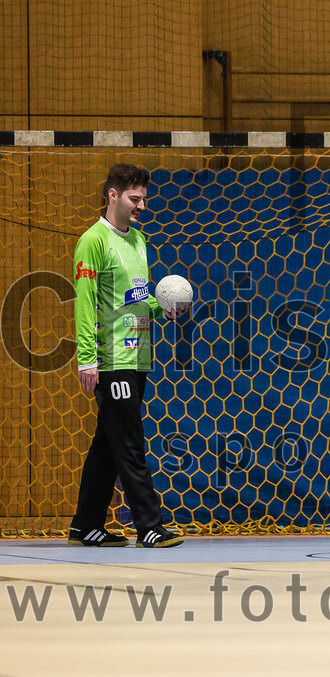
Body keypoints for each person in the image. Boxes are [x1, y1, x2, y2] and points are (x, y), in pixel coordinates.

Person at [69, 164, 189, 548]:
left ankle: (85, 525)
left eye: (144, 200)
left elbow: (134, 300)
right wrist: (87, 358)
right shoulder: (94, 241)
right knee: (130, 444)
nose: (141, 206)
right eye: (134, 199)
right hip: (111, 360)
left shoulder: (138, 241)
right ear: (113, 195)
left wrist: (160, 309)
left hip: (138, 358)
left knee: (107, 446)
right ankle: (149, 525)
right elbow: (85, 304)